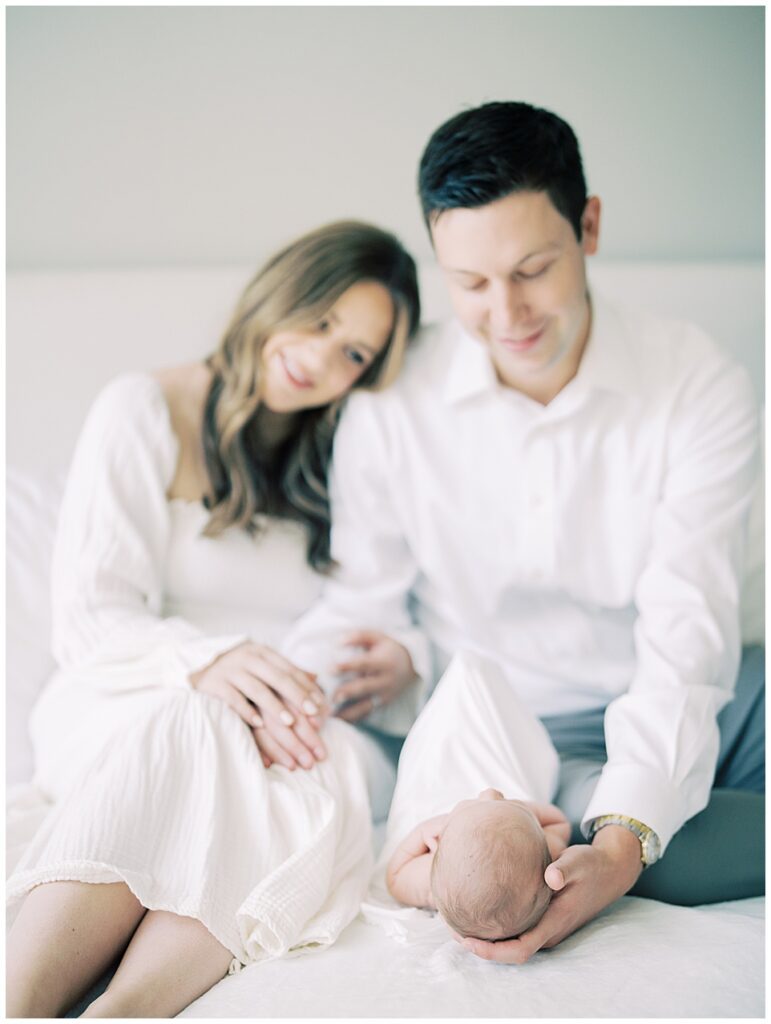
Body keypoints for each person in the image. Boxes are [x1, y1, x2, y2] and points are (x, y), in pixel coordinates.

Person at [285, 102, 764, 964]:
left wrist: (625, 840)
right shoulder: (393, 404)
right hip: (543, 734)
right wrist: (621, 836)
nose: (505, 313)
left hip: (719, 685)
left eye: (532, 269)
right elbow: (363, 611)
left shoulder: (695, 380)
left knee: (642, 813)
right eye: (468, 283)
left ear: (588, 227)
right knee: (576, 844)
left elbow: (689, 621)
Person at [6, 220, 422, 1018]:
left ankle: (122, 1011)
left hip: (275, 714)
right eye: (323, 318)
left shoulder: (343, 455)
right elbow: (90, 617)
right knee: (199, 725)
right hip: (128, 692)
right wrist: (212, 663)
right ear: (282, 289)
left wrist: (399, 660)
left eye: (355, 355)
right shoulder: (145, 407)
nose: (321, 357)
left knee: (318, 763)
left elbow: (381, 603)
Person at [383, 652, 571, 941]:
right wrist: (524, 812)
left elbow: (394, 876)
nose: (490, 791)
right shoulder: (542, 858)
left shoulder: (432, 882)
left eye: (475, 803)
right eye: (506, 800)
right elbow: (560, 821)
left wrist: (422, 832)